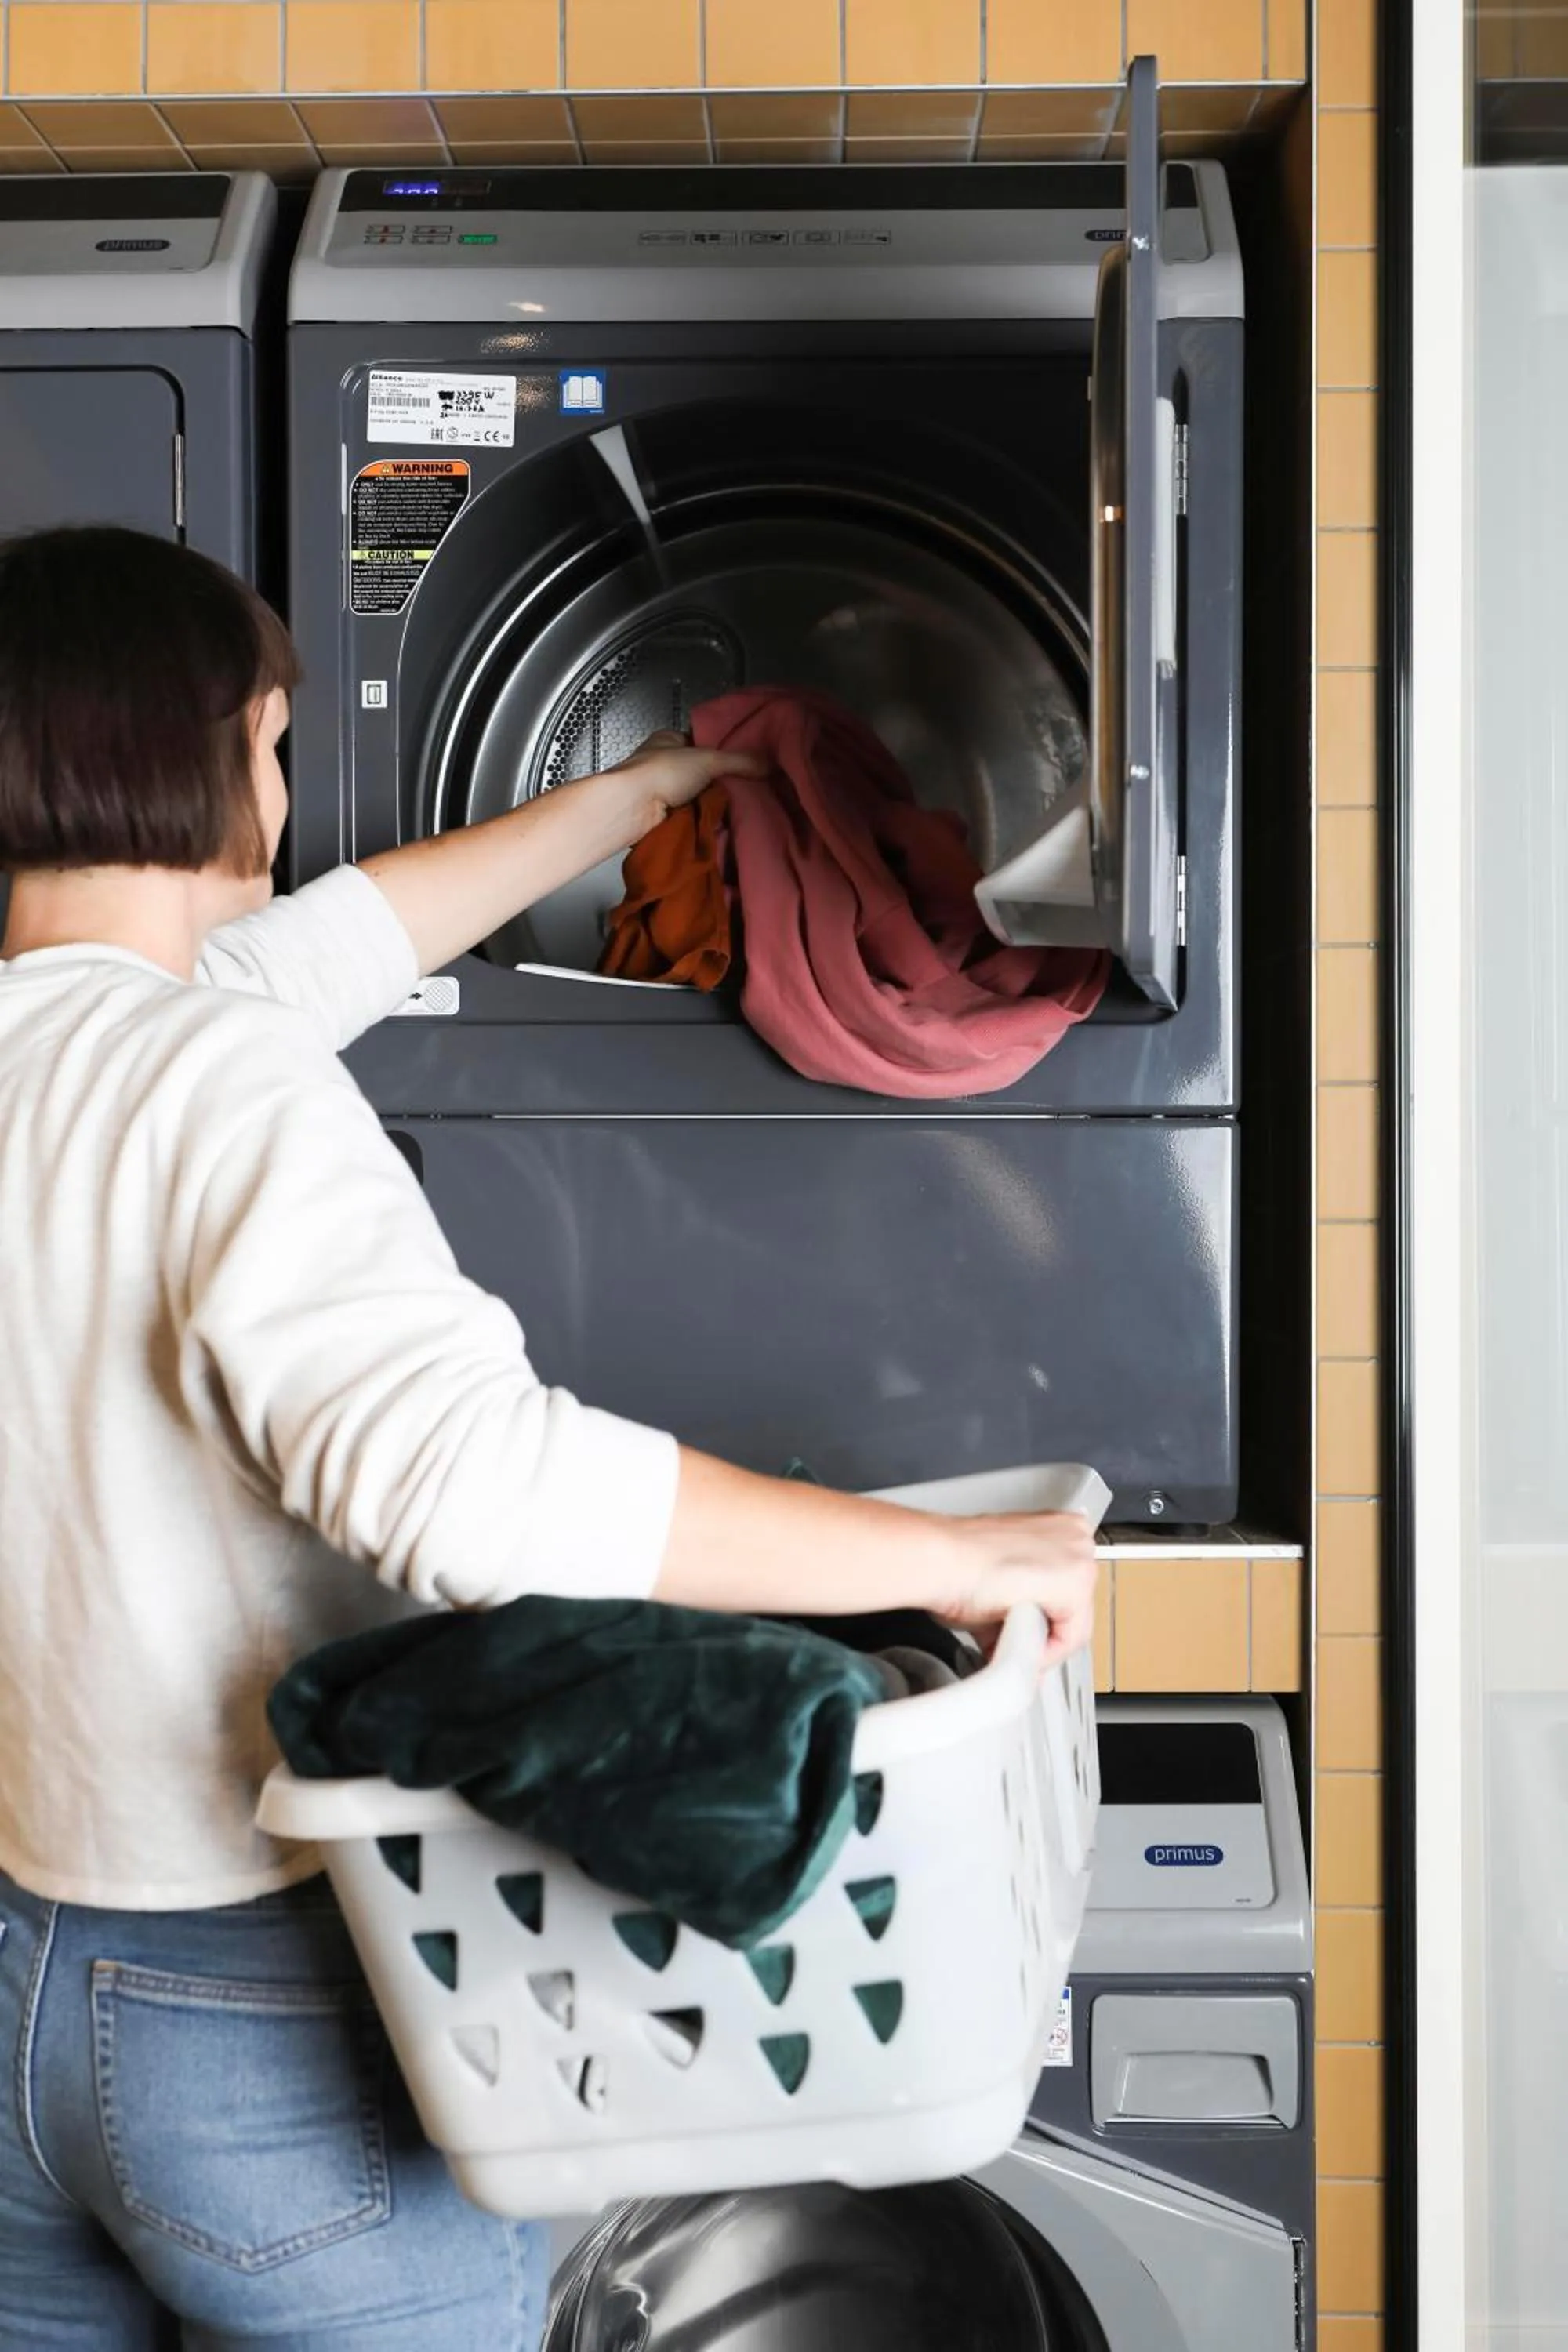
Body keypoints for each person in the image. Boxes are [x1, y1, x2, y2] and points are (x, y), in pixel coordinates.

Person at [0, 526, 1098, 2350]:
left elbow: (341, 943)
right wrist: (948, 1556)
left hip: (23, 1970)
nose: (283, 795)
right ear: (223, 743)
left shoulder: (106, 1050)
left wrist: (660, 783)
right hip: (261, 2006)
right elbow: (471, 1489)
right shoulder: (216, 1077)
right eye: (275, 749)